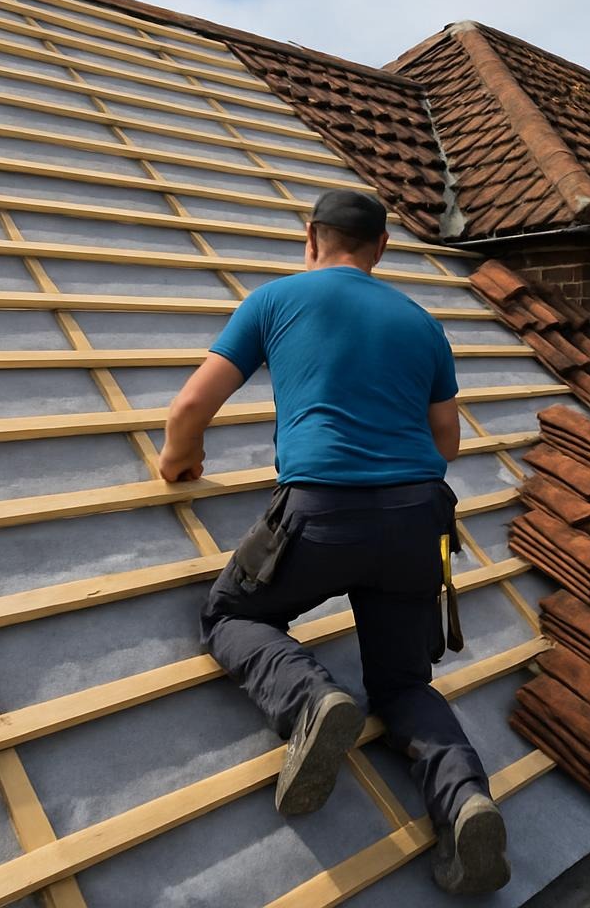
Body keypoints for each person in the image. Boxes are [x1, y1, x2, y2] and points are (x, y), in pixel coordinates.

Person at [158, 191, 509, 895]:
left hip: (321, 513)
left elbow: (192, 405)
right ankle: (466, 801)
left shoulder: (275, 301)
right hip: (416, 520)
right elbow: (446, 442)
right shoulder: (421, 322)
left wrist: (179, 459)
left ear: (311, 238)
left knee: (230, 615)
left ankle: (310, 700)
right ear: (381, 248)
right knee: (403, 684)